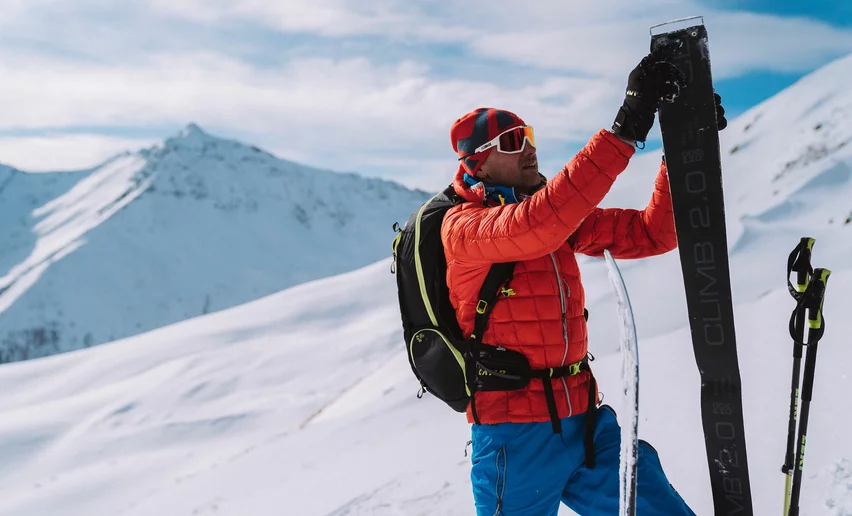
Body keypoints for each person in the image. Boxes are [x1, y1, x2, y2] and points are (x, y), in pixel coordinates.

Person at [441, 51, 725, 515]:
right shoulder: (465, 228)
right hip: (515, 435)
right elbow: (536, 226)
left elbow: (653, 232)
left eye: (528, 135)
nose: (529, 147)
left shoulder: (552, 218)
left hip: (585, 422)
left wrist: (682, 149)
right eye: (512, 141)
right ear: (479, 163)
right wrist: (625, 129)